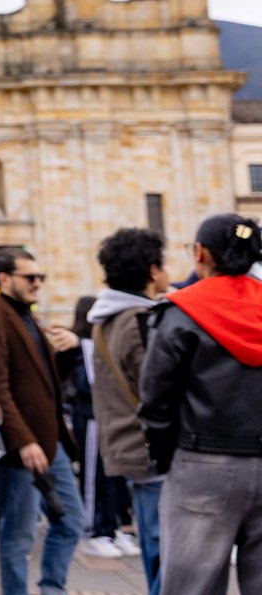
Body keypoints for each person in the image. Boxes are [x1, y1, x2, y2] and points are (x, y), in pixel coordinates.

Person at [139, 213, 262, 595]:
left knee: (193, 584)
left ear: (202, 254)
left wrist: (163, 457)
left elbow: (156, 399)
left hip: (202, 462)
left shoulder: (180, 313)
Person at [0, 247, 87, 595]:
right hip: (22, 448)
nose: (38, 283)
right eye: (30, 277)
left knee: (71, 521)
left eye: (41, 277)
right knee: (18, 534)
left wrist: (69, 351)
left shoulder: (28, 316)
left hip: (51, 442)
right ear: (5, 279)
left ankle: (52, 588)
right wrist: (23, 440)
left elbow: (47, 383)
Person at [86, 226, 169, 595]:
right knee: (163, 547)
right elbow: (158, 392)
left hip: (131, 446)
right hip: (152, 450)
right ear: (152, 271)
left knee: (156, 544)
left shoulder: (108, 318)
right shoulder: (140, 321)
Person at [68, 295, 133, 559]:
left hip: (107, 418)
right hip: (91, 418)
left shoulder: (94, 346)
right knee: (95, 476)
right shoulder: (79, 350)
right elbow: (85, 385)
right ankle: (93, 531)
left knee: (113, 477)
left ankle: (112, 527)